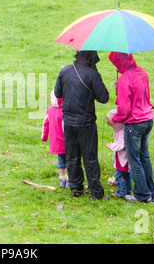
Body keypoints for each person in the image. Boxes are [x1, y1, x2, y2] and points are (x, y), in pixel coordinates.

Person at [54, 51, 109, 199]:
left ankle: (76, 188)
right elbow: (104, 98)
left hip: (69, 122)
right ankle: (96, 193)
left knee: (72, 157)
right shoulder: (92, 74)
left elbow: (58, 93)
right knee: (90, 158)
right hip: (86, 123)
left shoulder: (65, 71)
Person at [108, 52, 154, 203]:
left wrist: (115, 119)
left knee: (134, 160)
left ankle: (142, 195)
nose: (116, 67)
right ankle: (151, 192)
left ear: (120, 62)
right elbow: (141, 95)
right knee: (144, 157)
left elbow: (123, 109)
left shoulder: (124, 78)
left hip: (134, 124)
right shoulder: (141, 72)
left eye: (116, 63)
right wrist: (119, 89)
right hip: (147, 118)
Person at [41, 90, 70, 189]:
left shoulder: (50, 109)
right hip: (68, 142)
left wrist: (44, 137)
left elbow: (46, 123)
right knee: (71, 161)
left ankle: (62, 180)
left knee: (61, 161)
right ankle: (71, 180)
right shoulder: (67, 110)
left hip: (57, 143)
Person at [106, 109, 132, 198]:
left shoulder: (121, 132)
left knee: (118, 174)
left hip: (123, 159)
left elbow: (121, 145)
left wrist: (111, 146)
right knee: (126, 175)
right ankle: (128, 190)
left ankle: (121, 191)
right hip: (123, 158)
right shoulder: (120, 130)